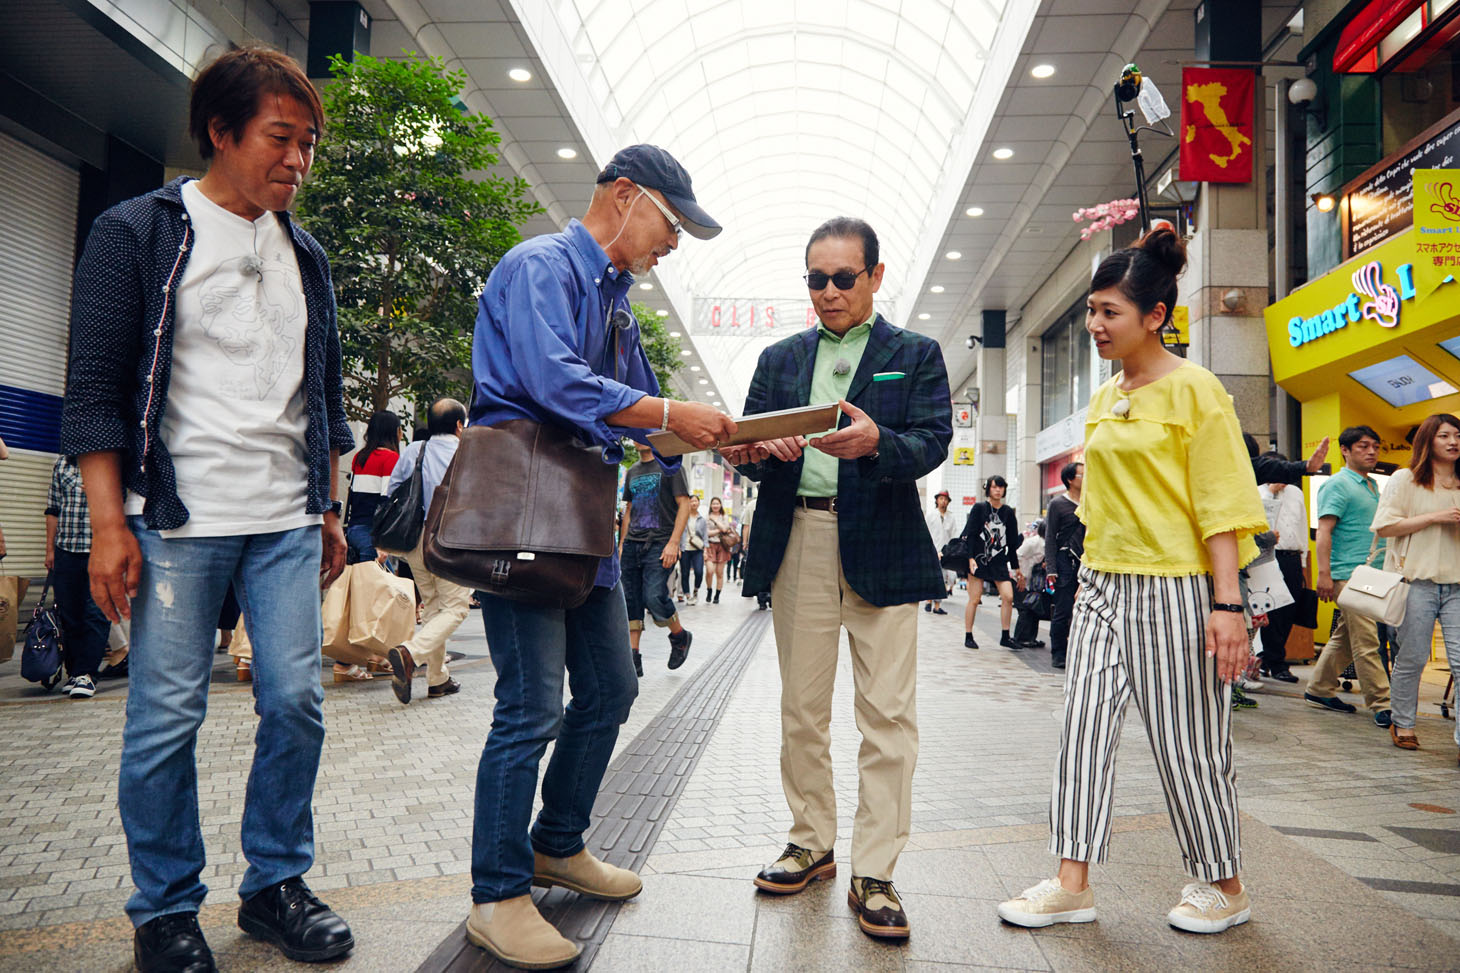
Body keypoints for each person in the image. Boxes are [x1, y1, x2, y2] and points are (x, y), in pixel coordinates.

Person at [61, 47, 355, 971]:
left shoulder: (303, 252)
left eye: (308, 144)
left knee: (299, 704)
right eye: (280, 138)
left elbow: (326, 399)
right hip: (176, 523)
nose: (297, 160)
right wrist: (110, 526)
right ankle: (165, 906)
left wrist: (332, 511)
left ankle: (274, 884)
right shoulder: (136, 231)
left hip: (285, 521)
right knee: (164, 716)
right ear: (221, 134)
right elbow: (94, 394)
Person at [465, 144, 733, 969]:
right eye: (671, 222)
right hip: (524, 510)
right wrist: (664, 410)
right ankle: (497, 894)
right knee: (531, 705)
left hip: (586, 520)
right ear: (625, 195)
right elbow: (552, 380)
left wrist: (735, 441)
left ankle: (558, 841)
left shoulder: (616, 300)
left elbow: (650, 425)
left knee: (613, 686)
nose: (674, 244)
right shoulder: (538, 264)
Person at [997, 225, 1268, 935]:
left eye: (1108, 312)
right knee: (1081, 730)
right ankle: (1070, 881)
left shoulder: (1198, 391)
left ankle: (1225, 884)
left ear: (1155, 315)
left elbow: (1221, 506)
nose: (1094, 325)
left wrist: (1228, 603)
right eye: (1090, 311)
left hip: (1177, 588)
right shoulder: (1105, 396)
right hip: (1101, 585)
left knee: (1189, 742)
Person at [721, 216, 952, 941]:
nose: (827, 292)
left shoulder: (912, 354)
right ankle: (811, 841)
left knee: (887, 715)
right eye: (816, 279)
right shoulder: (781, 357)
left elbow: (934, 440)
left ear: (875, 277)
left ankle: (875, 870)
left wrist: (880, 440)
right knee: (802, 707)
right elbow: (740, 448)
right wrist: (761, 447)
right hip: (799, 539)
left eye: (842, 278)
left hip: (883, 540)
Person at [1372, 413, 1460, 754]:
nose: (1453, 442)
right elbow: (1384, 527)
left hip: (1457, 586)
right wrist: (1435, 517)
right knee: (1412, 658)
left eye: (1457, 435)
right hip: (1416, 583)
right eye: (1444, 436)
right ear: (1428, 441)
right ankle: (1403, 721)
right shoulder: (1405, 479)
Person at [1304, 426, 1393, 726]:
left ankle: (1318, 688)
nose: (1371, 452)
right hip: (1348, 574)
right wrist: (1324, 575)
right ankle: (1382, 704)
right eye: (1363, 446)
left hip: (1369, 572)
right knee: (1367, 640)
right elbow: (1324, 531)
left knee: (1346, 636)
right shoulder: (1338, 484)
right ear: (1344, 450)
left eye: (1376, 447)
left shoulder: (1371, 485)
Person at [384, 398, 470, 704]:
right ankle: (410, 653)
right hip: (451, 538)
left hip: (415, 539)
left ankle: (437, 680)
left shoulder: (412, 450)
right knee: (457, 608)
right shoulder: (467, 453)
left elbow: (392, 491)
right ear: (460, 425)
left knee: (434, 606)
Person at [618, 441, 693, 677]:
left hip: (660, 542)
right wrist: (622, 544)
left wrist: (674, 542)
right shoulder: (632, 470)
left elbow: (684, 505)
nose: (636, 438)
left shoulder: (671, 465)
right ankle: (634, 657)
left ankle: (679, 636)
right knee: (630, 599)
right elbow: (629, 509)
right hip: (632, 543)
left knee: (654, 595)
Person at [44, 455, 111, 699]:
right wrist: (50, 550)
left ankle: (87, 674)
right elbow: (53, 508)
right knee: (69, 614)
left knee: (96, 612)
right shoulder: (62, 463)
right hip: (66, 549)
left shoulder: (110, 461)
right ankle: (74, 672)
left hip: (101, 548)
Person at [1256, 460, 1307, 683]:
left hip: (1292, 557)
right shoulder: (1258, 492)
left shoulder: (1295, 492)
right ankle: (1276, 662)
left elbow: (1301, 525)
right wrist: (1270, 492)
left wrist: (1304, 560)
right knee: (1271, 610)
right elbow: (1263, 521)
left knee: (1290, 609)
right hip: (1269, 556)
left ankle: (1269, 658)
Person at [961, 475, 1022, 649]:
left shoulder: (1008, 512)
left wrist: (1016, 567)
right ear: (988, 489)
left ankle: (1005, 636)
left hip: (999, 561)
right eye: (995, 487)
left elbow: (1011, 543)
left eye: (1001, 487)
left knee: (1008, 596)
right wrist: (970, 558)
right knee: (974, 598)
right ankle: (968, 635)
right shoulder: (979, 508)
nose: (998, 490)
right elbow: (970, 535)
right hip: (979, 560)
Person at [346, 410, 402, 564]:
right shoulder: (390, 458)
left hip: (354, 530)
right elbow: (386, 500)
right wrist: (382, 542)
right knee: (382, 586)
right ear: (395, 432)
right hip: (372, 536)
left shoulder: (360, 456)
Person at [1043, 462, 1084, 670]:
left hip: (1086, 564)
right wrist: (1051, 568)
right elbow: (1050, 537)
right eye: (1081, 475)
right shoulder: (1057, 504)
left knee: (1083, 611)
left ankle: (1077, 652)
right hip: (1064, 563)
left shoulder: (1090, 503)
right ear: (1070, 479)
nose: (1085, 478)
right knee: (1063, 609)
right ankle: (1058, 653)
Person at [1012, 519, 1046, 649]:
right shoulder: (1033, 542)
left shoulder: (1046, 544)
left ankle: (1031, 638)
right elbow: (1018, 555)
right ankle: (1019, 638)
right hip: (1019, 578)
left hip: (1032, 581)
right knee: (1024, 609)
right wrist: (1020, 576)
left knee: (1034, 607)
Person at [924, 489, 957, 614]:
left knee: (942, 578)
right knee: (930, 577)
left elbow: (953, 534)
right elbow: (926, 533)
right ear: (937, 500)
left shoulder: (951, 517)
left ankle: (937, 605)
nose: (943, 501)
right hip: (932, 551)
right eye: (941, 499)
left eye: (945, 499)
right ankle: (928, 601)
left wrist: (952, 550)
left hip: (945, 552)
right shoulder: (930, 515)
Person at [704, 497, 734, 602]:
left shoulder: (724, 517)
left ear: (720, 505)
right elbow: (706, 533)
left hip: (723, 546)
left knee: (720, 573)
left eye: (717, 503)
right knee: (710, 570)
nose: (715, 506)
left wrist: (715, 520)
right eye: (713, 504)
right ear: (711, 505)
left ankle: (717, 595)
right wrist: (719, 530)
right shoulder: (707, 517)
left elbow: (725, 529)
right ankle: (709, 590)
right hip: (710, 545)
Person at [679, 496, 706, 605]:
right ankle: (688, 595)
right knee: (684, 573)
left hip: (697, 549)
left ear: (698, 503)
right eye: (691, 501)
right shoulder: (683, 517)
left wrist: (706, 550)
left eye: (695, 501)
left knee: (699, 572)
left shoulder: (702, 519)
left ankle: (696, 589)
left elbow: (705, 536)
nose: (693, 503)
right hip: (685, 548)